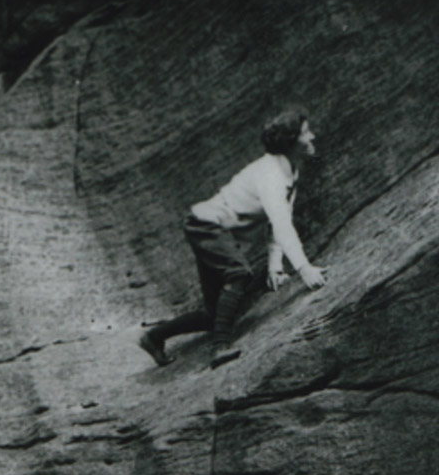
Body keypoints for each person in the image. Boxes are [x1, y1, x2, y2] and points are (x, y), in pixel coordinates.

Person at [139, 109, 327, 369]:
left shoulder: (288, 172)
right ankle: (219, 348)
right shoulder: (271, 175)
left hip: (206, 226)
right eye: (306, 132)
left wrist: (275, 264)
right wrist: (304, 268)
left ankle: (153, 337)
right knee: (239, 274)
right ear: (290, 141)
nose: (312, 136)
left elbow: (279, 220)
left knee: (214, 314)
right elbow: (282, 225)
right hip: (206, 226)